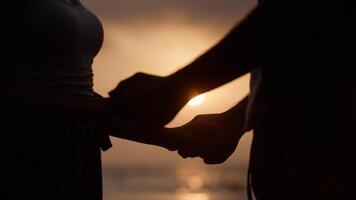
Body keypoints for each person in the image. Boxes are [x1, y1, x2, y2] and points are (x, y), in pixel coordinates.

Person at [109, 0, 356, 199]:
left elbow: (294, 14)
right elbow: (298, 51)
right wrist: (236, 119)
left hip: (330, 149)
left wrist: (175, 89)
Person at [2, 1, 202, 199]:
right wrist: (109, 108)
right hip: (28, 150)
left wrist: (170, 136)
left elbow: (84, 101)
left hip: (80, 152)